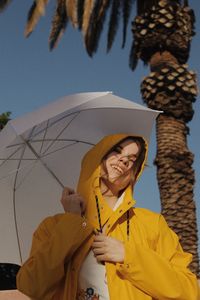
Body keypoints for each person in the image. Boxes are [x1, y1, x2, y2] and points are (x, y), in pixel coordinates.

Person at [16, 133, 198, 300]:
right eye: (117, 151)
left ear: (134, 173)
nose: (123, 160)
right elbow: (31, 286)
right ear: (97, 156)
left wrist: (129, 256)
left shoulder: (152, 224)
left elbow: (189, 291)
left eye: (132, 159)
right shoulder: (54, 226)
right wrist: (71, 221)